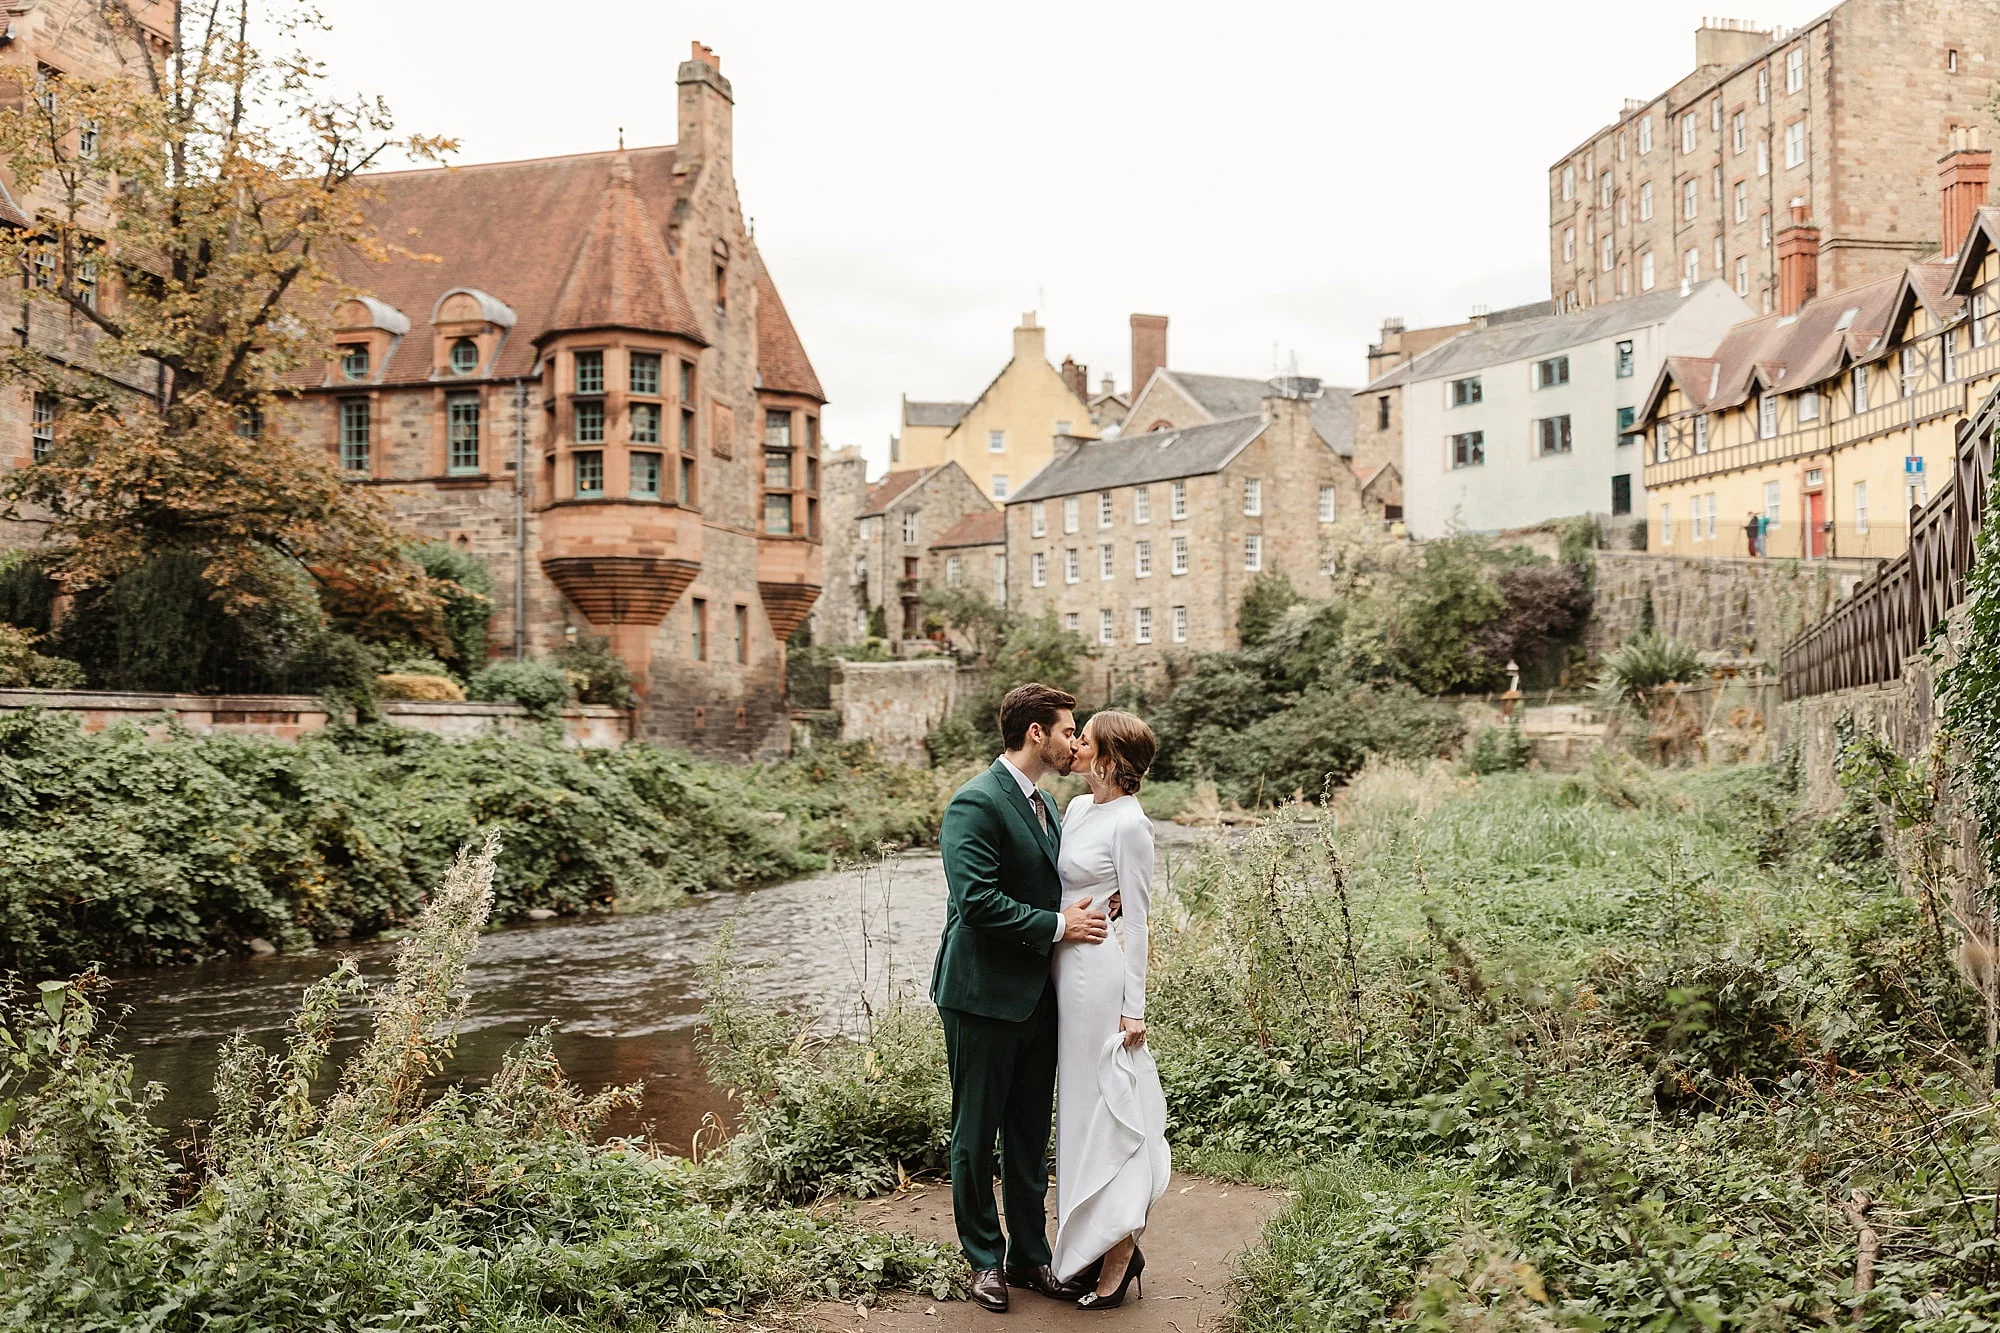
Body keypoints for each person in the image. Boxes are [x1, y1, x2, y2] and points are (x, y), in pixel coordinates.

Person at [930, 683, 1108, 1314]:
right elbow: (976, 904)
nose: (1074, 740)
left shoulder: (1047, 805)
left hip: (1040, 993)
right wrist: (1062, 926)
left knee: (1030, 1132)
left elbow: (1037, 886)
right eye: (1067, 730)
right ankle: (983, 1260)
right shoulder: (975, 802)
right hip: (982, 995)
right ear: (1036, 733)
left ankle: (1029, 1256)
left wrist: (1084, 910)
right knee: (977, 1133)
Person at [1051, 710, 1170, 1309]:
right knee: (1073, 1111)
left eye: (1085, 739)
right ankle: (1088, 1242)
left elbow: (1141, 923)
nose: (1073, 744)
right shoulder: (1076, 809)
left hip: (1098, 977)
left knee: (1103, 1105)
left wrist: (1135, 1007)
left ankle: (1118, 1248)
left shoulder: (1131, 825)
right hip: (1059, 966)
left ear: (1108, 758)